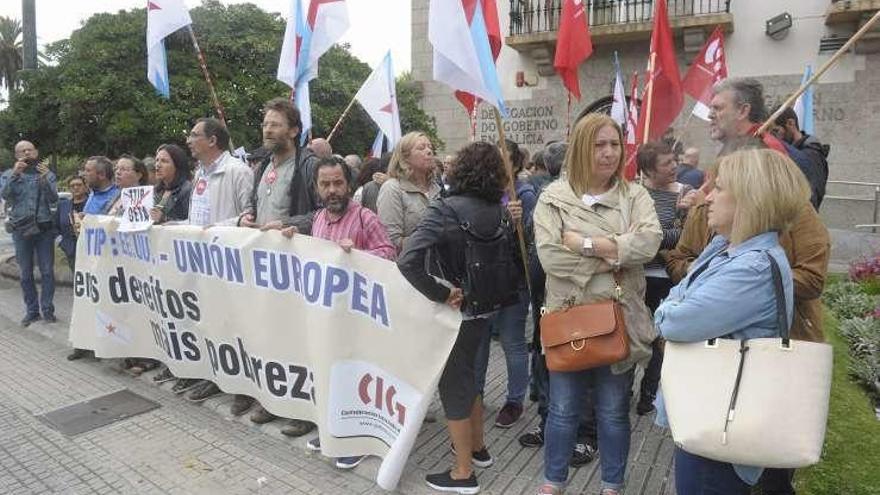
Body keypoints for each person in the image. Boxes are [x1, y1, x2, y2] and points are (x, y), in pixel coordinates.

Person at [664, 87, 831, 495]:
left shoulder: (759, 255)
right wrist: (715, 273)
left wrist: (735, 290)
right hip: (711, 377)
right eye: (713, 182)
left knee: (765, 468)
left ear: (754, 191)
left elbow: (671, 317)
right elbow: (681, 256)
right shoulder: (725, 232)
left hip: (758, 371)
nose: (709, 197)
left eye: (718, 108)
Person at [532, 114, 661, 495]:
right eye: (598, 144)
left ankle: (612, 485)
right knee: (562, 410)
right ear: (581, 148)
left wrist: (585, 244)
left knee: (613, 411)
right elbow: (551, 258)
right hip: (569, 317)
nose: (608, 153)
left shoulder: (634, 195)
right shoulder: (553, 197)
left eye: (615, 145)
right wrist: (618, 250)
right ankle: (554, 482)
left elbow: (650, 243)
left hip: (617, 318)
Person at [399, 141, 520, 495]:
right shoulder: (498, 211)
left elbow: (407, 259)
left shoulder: (445, 209)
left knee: (454, 384)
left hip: (454, 311)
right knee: (469, 378)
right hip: (486, 307)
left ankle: (463, 472)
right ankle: (478, 448)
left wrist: (439, 293)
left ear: (461, 170)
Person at [282, 156, 396, 470]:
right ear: (317, 188)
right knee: (331, 376)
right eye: (325, 184)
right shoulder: (318, 219)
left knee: (355, 379)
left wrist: (358, 255)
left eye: (338, 183)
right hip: (327, 318)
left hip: (359, 320)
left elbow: (389, 254)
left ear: (349, 185)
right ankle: (334, 433)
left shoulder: (366, 218)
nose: (332, 190)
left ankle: (356, 442)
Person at [238, 97, 320, 437]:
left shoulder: (310, 166)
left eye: (275, 124)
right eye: (265, 124)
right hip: (265, 269)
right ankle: (272, 398)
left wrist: (288, 224)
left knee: (298, 339)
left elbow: (324, 214)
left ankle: (303, 409)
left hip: (297, 269)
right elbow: (256, 204)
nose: (267, 130)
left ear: (294, 130)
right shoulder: (262, 166)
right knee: (270, 335)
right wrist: (247, 215)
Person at [178, 117, 256, 404]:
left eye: (194, 134)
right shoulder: (199, 174)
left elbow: (248, 219)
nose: (188, 139)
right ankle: (212, 377)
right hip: (201, 263)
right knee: (207, 323)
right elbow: (197, 218)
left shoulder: (238, 172)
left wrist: (214, 230)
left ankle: (242, 387)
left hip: (229, 266)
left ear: (212, 141)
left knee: (233, 326)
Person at [474, 139, 536, 429]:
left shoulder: (524, 193)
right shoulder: (481, 192)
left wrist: (519, 222)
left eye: (504, 159)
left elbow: (532, 239)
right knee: (480, 341)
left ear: (515, 162)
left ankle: (514, 401)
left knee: (512, 341)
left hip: (513, 280)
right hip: (483, 279)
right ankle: (476, 394)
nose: (499, 165)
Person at [634, 141, 697, 415]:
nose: (674, 167)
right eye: (667, 163)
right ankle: (623, 387)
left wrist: (652, 238)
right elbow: (632, 235)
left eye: (675, 161)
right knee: (631, 334)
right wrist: (660, 236)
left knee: (659, 339)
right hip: (635, 276)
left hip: (666, 277)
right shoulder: (634, 194)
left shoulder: (685, 194)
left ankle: (648, 393)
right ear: (648, 170)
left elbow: (683, 238)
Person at [702, 78, 821, 209]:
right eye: (711, 108)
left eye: (717, 108)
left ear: (743, 111)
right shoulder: (732, 149)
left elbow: (768, 214)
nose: (710, 115)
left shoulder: (768, 152)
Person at [1, 140, 59, 327]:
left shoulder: (46, 173)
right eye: (22, 150)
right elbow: (6, 196)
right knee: (25, 274)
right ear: (17, 155)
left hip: (44, 229)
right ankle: (32, 311)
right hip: (21, 230)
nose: (27, 152)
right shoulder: (10, 174)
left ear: (36, 152)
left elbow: (53, 199)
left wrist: (45, 181)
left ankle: (48, 310)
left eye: (30, 149)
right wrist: (15, 174)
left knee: (47, 272)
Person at [377, 132, 443, 253]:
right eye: (421, 148)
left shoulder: (437, 188)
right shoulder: (392, 188)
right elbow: (390, 240)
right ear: (405, 157)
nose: (429, 151)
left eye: (430, 147)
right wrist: (430, 240)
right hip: (407, 267)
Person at [772, 106, 830, 208]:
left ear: (790, 123)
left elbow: (811, 195)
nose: (774, 138)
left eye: (776, 131)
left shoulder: (812, 155)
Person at [150, 144, 193, 224]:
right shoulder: (156, 190)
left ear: (177, 165)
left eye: (164, 161)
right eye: (157, 160)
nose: (158, 165)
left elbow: (192, 222)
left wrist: (165, 219)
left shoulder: (187, 190)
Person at [57, 175, 89, 273]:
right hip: (71, 248)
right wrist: (61, 242)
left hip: (90, 247)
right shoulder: (63, 205)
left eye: (79, 185)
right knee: (76, 276)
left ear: (85, 186)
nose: (76, 188)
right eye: (72, 186)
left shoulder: (91, 203)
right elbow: (56, 225)